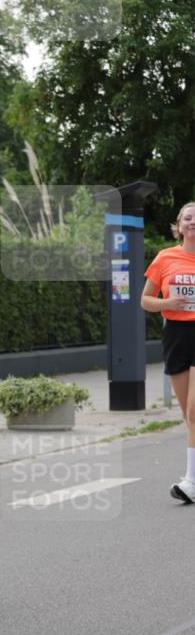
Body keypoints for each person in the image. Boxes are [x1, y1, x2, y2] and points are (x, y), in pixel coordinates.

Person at [142, 201, 195, 504]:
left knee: (193, 411)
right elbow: (145, 300)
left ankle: (191, 481)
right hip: (175, 335)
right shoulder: (165, 258)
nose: (193, 222)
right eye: (188, 218)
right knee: (189, 417)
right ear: (179, 224)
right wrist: (167, 304)